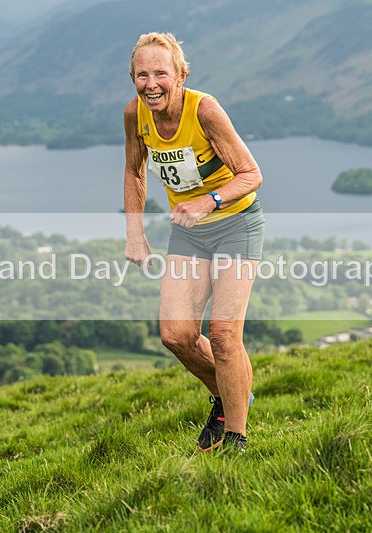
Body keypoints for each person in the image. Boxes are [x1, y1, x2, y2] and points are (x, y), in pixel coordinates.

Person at [123, 32, 265, 453]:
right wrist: (135, 235)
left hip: (236, 224)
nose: (151, 84)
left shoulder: (205, 111)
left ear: (181, 75)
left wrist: (209, 200)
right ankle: (226, 394)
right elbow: (134, 170)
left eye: (161, 74)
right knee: (176, 335)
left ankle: (236, 438)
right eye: (142, 75)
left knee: (223, 333)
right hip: (188, 232)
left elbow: (251, 174)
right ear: (133, 78)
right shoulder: (135, 115)